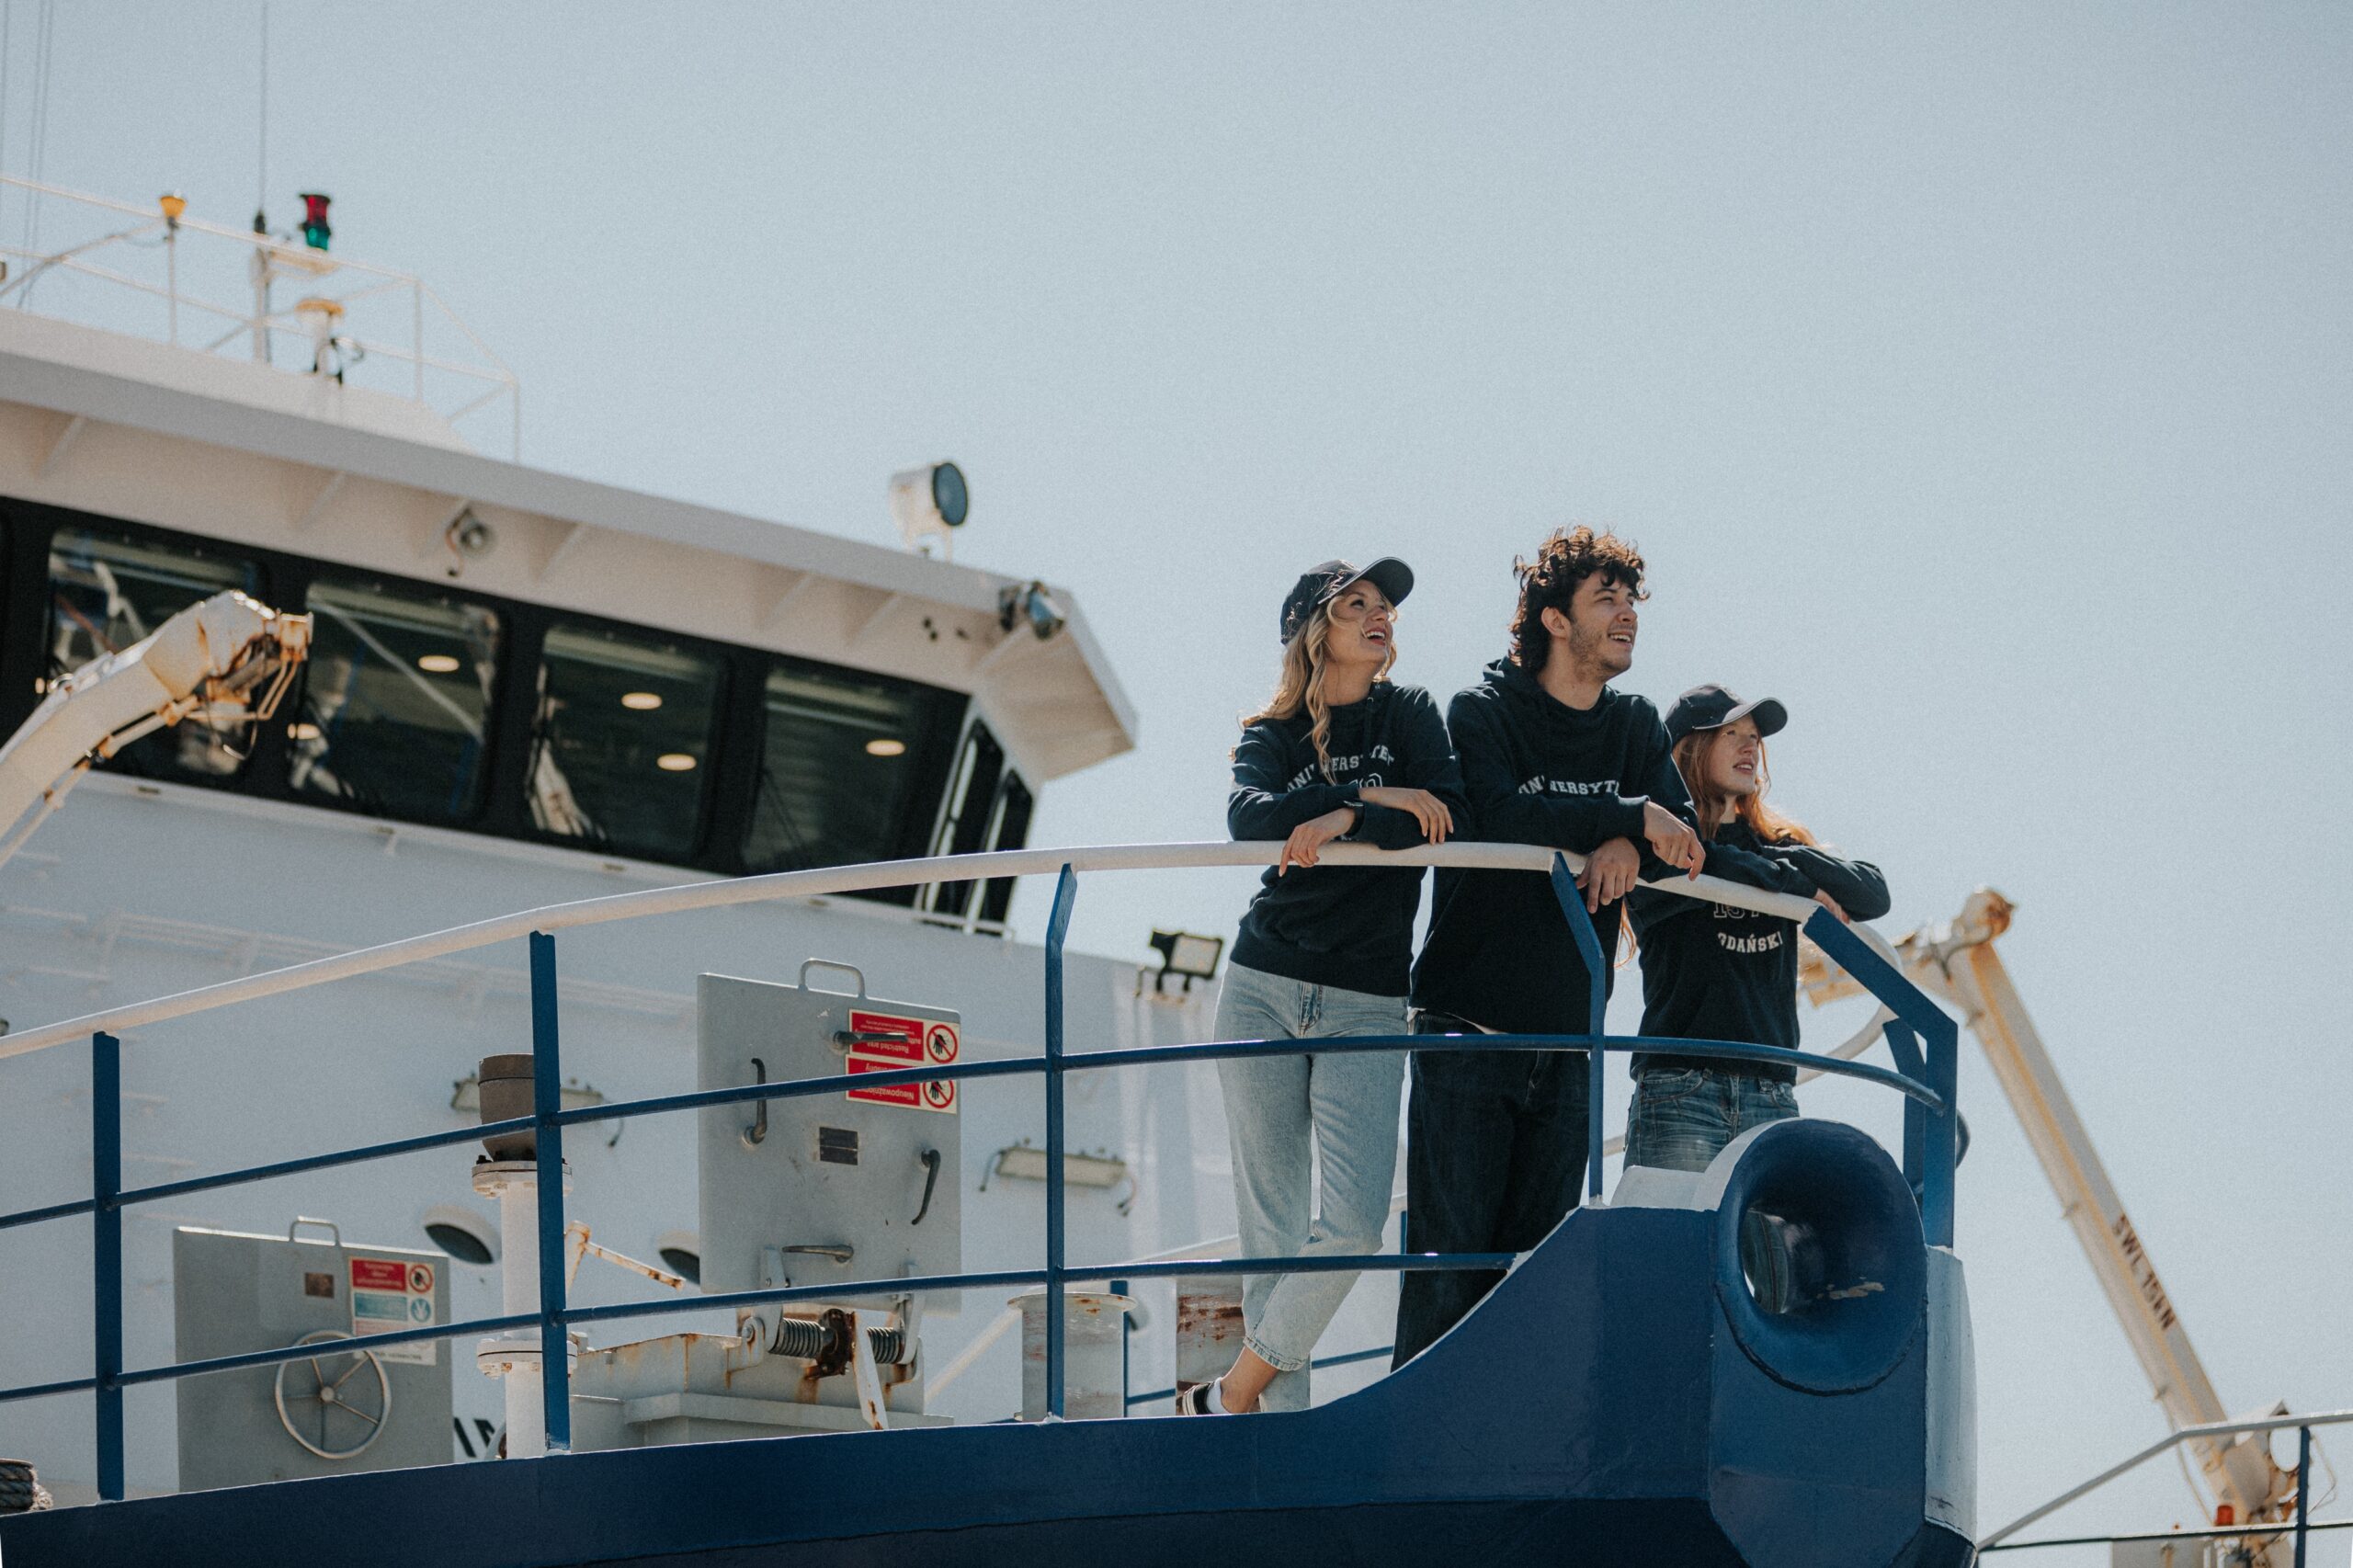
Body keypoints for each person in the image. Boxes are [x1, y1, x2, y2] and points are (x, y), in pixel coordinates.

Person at [1392, 527, 1704, 1371]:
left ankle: (1506, 1466)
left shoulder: (1635, 725)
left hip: (1568, 1041)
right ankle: (1418, 1469)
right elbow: (1495, 815)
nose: (1627, 615)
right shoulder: (1483, 709)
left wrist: (1633, 845)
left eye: (1632, 601)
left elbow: (1686, 842)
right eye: (1607, 598)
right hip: (1467, 1030)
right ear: (1555, 620)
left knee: (1534, 1278)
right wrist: (1627, 818)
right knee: (1446, 1271)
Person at [1176, 557, 1467, 1415]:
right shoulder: (1272, 732)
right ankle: (1279, 1428)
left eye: (1386, 607)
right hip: (1262, 983)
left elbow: (1445, 812)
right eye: (1358, 604)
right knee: (1271, 1233)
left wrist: (1338, 816)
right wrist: (1374, 797)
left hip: (1367, 994)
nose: (1382, 617)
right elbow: (1251, 821)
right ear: (1315, 627)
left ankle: (1235, 1394)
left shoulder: (1410, 713)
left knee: (1351, 1226)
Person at [1622, 685, 1891, 1301]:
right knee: (1669, 1281)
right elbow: (1661, 885)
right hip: (1682, 1082)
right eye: (1730, 734)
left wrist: (1787, 864)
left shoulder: (1775, 845)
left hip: (1770, 1088)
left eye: (1754, 738)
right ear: (1689, 749)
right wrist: (1783, 881)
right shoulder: (1656, 844)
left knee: (1779, 1299)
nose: (1749, 748)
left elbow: (1872, 892)